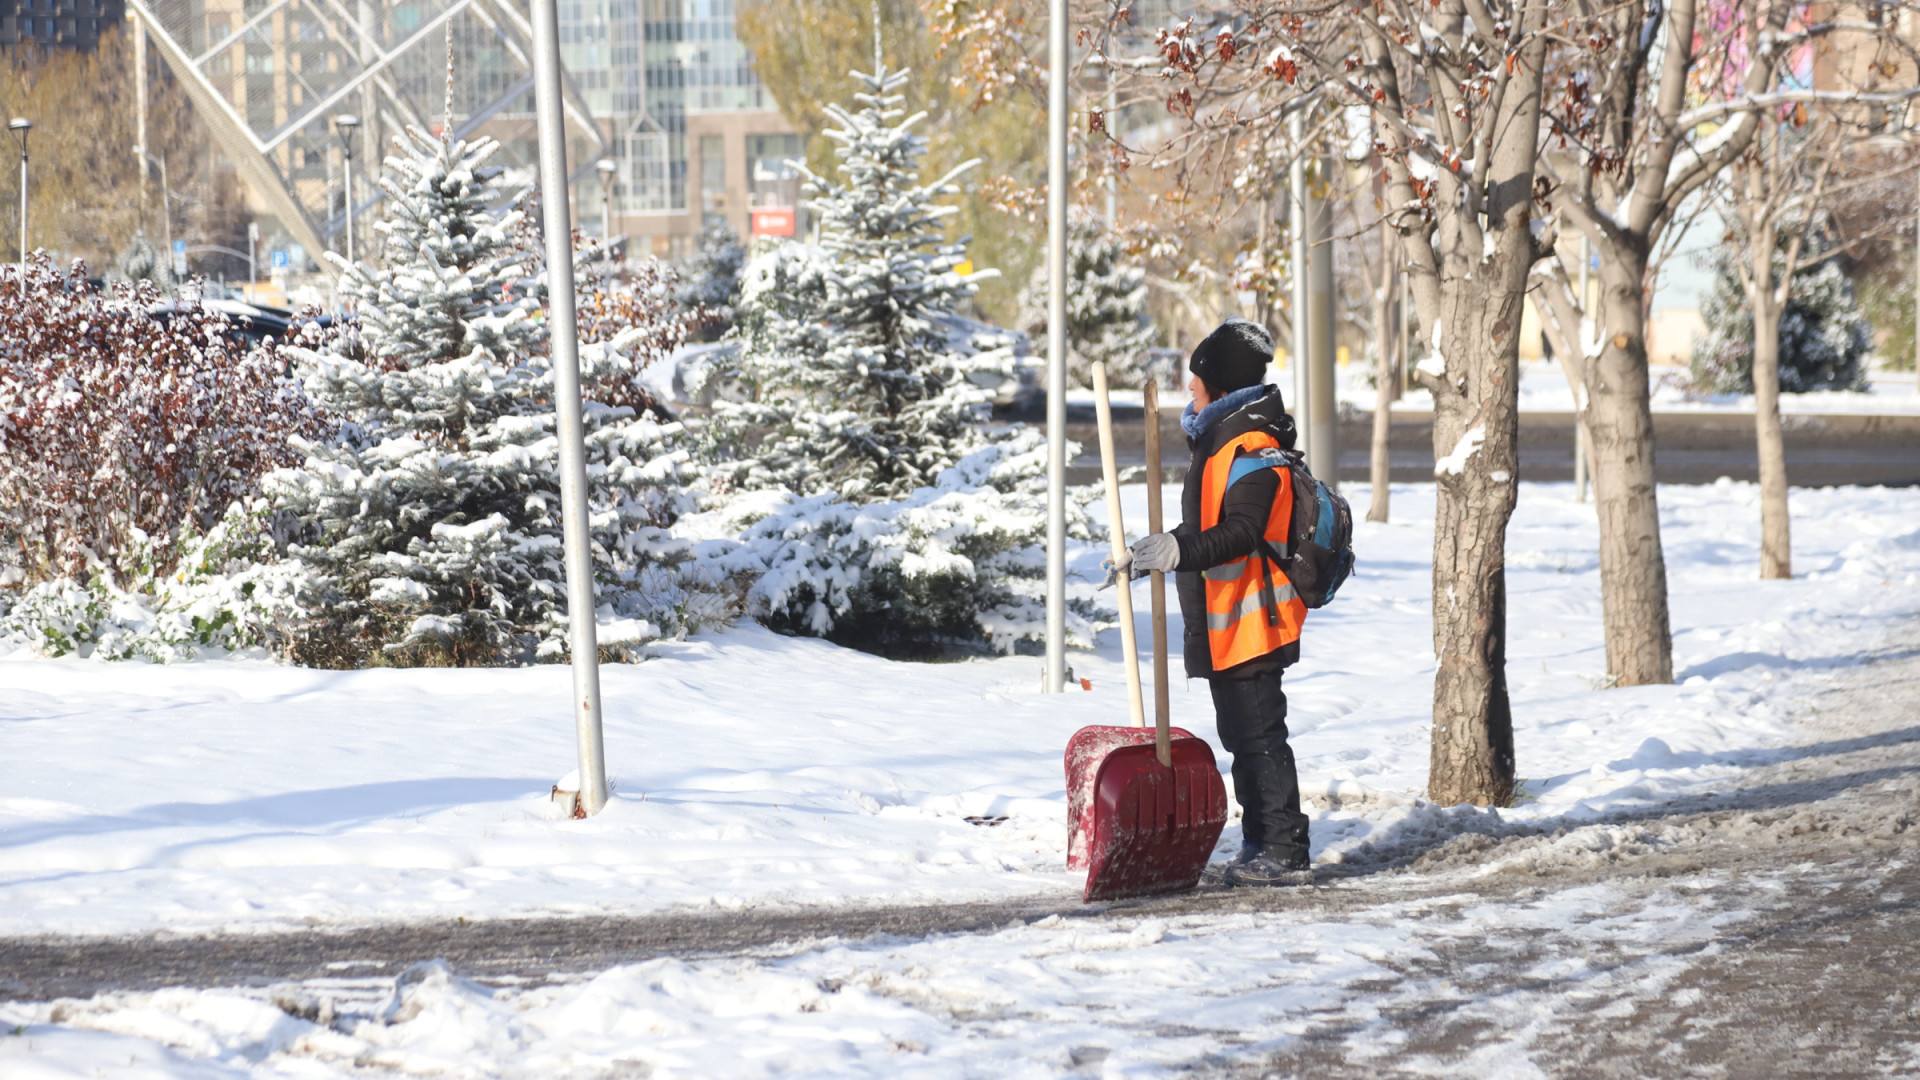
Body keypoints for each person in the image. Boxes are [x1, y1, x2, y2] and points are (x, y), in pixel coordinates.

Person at [1117, 317, 1312, 887]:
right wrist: (1148, 554)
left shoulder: (1252, 448)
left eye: (1197, 380)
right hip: (1229, 617)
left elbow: (1242, 532)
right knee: (1241, 737)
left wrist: (1177, 550)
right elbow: (1204, 523)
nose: (1189, 390)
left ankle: (1284, 848)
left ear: (1221, 386)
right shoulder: (1221, 440)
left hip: (1255, 617)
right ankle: (1261, 843)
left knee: (1258, 735)